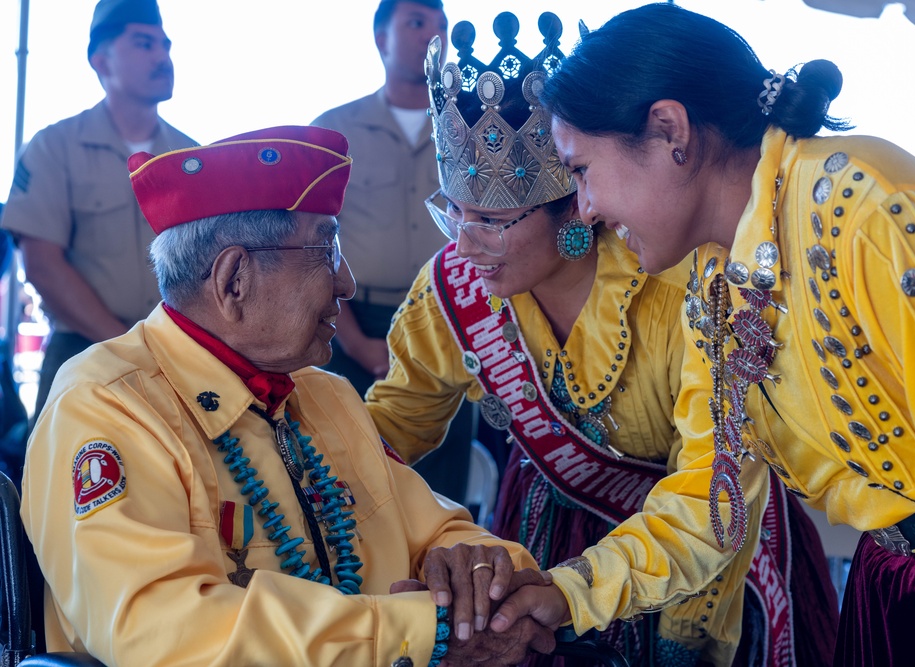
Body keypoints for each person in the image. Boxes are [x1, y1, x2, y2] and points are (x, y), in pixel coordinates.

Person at [487, 5, 915, 667]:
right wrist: (568, 592)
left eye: (582, 169)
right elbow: (712, 494)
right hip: (891, 587)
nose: (585, 210)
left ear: (670, 130)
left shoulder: (870, 217)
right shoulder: (716, 274)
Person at [367, 13, 839, 666]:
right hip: (541, 550)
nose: (464, 245)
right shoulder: (453, 285)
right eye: (452, 214)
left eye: (492, 221)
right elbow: (390, 427)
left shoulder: (686, 286)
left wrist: (636, 618)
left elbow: (709, 493)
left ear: (576, 206)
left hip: (710, 553)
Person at [19, 125, 556, 666]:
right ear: (234, 280)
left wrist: (484, 581)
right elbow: (163, 632)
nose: (346, 282)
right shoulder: (105, 407)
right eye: (326, 250)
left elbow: (436, 529)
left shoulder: (325, 396)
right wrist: (426, 632)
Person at [0, 0, 197, 421]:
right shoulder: (55, 147)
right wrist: (129, 345)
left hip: (181, 357)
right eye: (144, 44)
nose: (162, 56)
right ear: (100, 60)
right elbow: (43, 265)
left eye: (165, 45)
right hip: (84, 351)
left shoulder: (192, 157)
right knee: (61, 480)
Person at [311, 0, 473, 501]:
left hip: (453, 319)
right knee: (347, 478)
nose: (434, 36)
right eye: (417, 23)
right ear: (380, 37)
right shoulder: (334, 131)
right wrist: (356, 343)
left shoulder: (474, 123)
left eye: (442, 26)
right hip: (348, 323)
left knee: (440, 491)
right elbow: (312, 245)